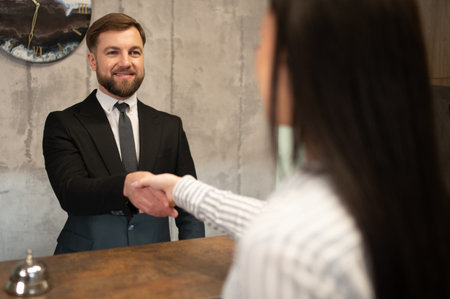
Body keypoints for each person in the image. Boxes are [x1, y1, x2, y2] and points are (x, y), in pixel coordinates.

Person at [125, 0, 450, 298]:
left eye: (263, 43)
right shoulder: (404, 193)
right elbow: (279, 221)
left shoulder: (285, 250)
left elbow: (286, 237)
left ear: (299, 66)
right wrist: (183, 189)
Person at [43, 13, 204, 254]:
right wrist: (125, 186)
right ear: (92, 60)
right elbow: (70, 192)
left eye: (134, 52)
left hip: (157, 263)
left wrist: (192, 256)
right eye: (112, 52)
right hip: (85, 265)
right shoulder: (63, 123)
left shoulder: (170, 126)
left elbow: (188, 201)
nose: (125, 62)